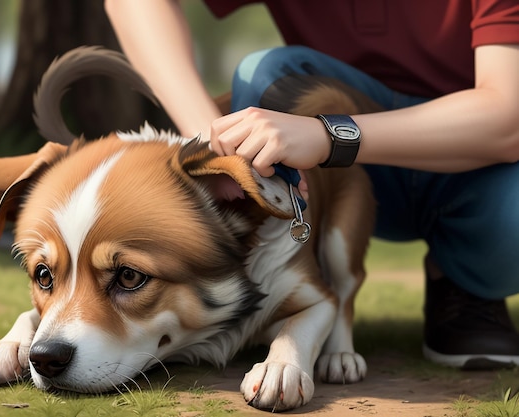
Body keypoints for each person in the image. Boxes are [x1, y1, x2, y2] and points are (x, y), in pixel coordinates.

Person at [105, 0, 519, 369]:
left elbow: (509, 119)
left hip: (483, 167)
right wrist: (213, 152)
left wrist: (327, 136)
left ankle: (461, 281)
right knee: (268, 77)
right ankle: (274, 294)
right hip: (340, 171)